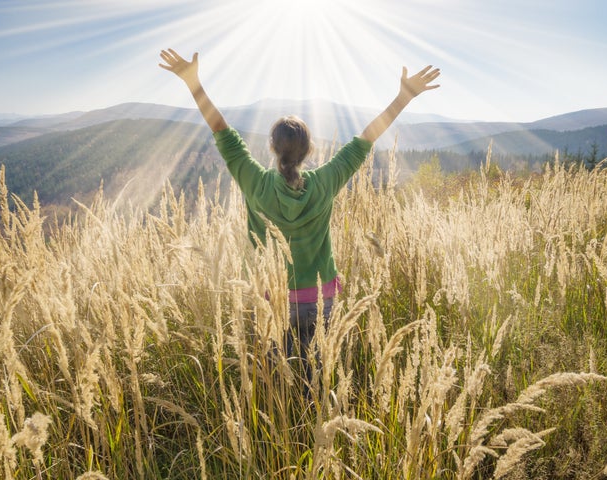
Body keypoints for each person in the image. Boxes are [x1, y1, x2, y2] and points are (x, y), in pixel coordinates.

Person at [159, 48, 440, 384]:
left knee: (277, 384)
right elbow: (366, 139)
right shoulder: (325, 181)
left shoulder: (256, 182)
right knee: (316, 381)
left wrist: (194, 83)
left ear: (273, 149)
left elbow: (223, 133)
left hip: (270, 300)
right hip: (321, 299)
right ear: (309, 151)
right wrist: (403, 97)